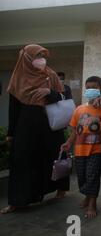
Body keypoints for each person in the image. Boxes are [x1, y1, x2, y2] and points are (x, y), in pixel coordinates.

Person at [1, 44, 69, 214]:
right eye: (37, 56)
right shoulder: (18, 77)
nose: (41, 59)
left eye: (42, 55)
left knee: (54, 156)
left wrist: (49, 92)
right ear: (26, 58)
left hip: (49, 124)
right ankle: (17, 201)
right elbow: (14, 108)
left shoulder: (51, 74)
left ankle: (60, 188)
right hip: (26, 126)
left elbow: (63, 97)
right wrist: (11, 132)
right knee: (22, 161)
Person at [61, 76, 101, 218]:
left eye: (94, 87)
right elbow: (75, 130)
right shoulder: (79, 109)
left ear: (100, 89)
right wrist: (68, 143)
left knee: (92, 176)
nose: (90, 90)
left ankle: (92, 203)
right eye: (88, 87)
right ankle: (87, 196)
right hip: (79, 151)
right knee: (82, 178)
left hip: (96, 150)